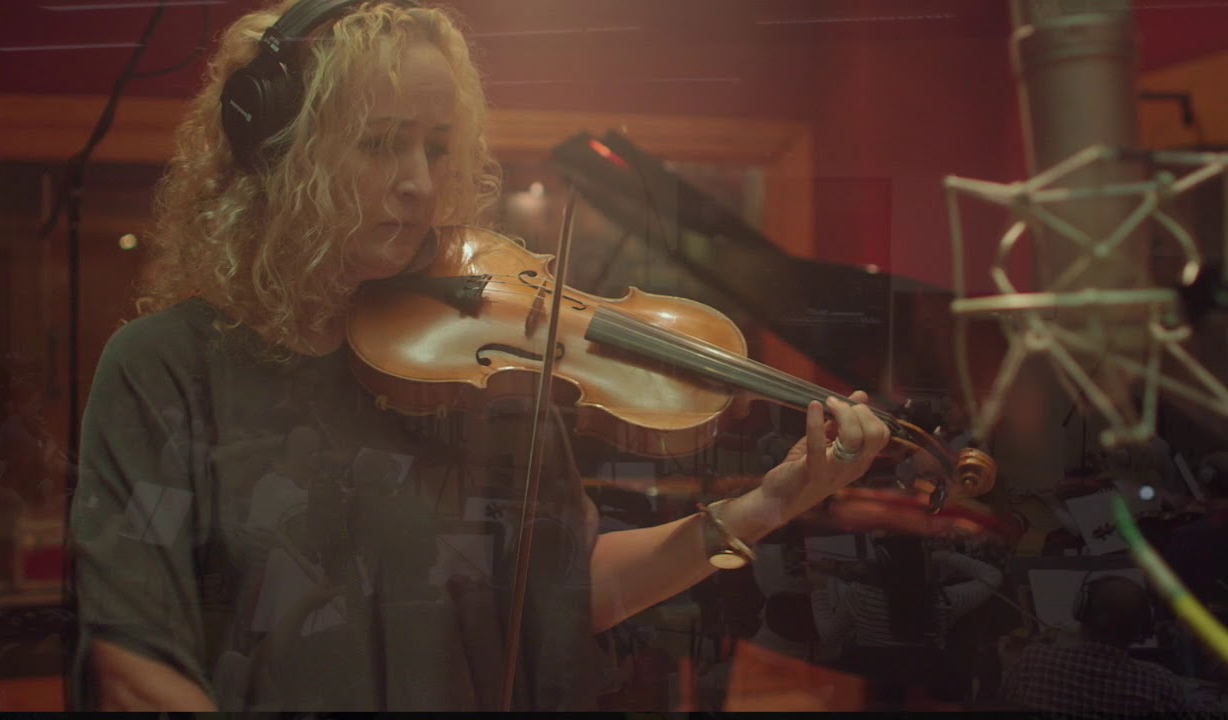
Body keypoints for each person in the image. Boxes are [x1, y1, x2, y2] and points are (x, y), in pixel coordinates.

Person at [68, 0, 890, 711]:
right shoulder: (166, 368)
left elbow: (571, 591)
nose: (420, 184)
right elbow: (135, 665)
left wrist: (768, 503)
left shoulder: (479, 371)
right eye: (380, 143)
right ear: (278, 152)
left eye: (436, 148)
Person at [809, 536, 1003, 704]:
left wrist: (818, 591)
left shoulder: (861, 596)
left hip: (874, 695)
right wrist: (945, 556)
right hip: (923, 696)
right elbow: (992, 576)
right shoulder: (944, 601)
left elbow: (829, 637)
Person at [1001, 575, 1223, 714]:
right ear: (1140, 633)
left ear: (1080, 609)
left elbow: (1008, 694)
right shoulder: (1157, 685)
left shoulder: (1031, 662)